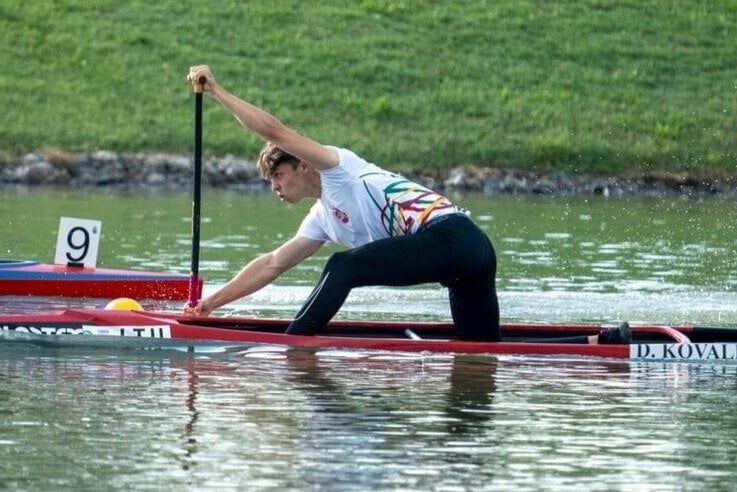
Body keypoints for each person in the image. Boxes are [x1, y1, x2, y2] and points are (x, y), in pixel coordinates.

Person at [183, 65, 631, 345]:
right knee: (482, 351)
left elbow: (275, 131)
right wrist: (210, 306)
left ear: (302, 167)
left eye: (278, 177)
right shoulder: (323, 217)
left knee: (342, 268)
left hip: (453, 237)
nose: (275, 187)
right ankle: (602, 341)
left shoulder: (336, 166)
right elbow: (272, 264)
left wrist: (217, 90)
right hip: (467, 258)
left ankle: (294, 349)